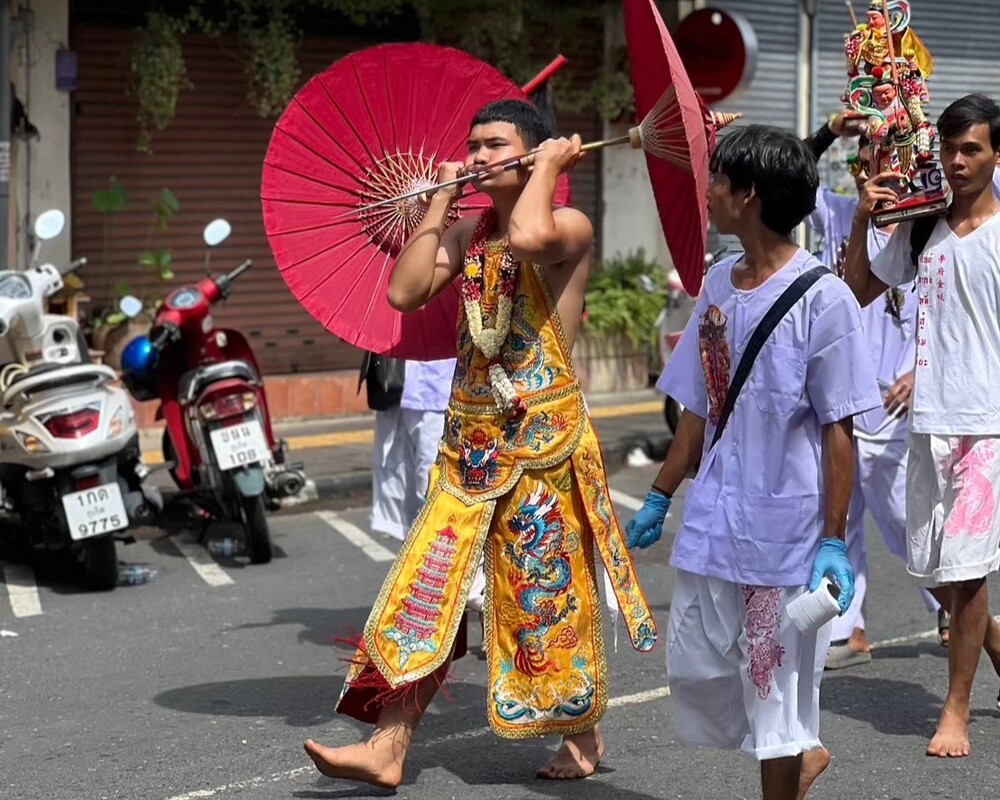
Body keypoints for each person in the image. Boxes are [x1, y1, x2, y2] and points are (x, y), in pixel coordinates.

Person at [304, 99, 655, 788]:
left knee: (539, 599)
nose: (477, 156)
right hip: (470, 450)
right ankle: (388, 745)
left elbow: (529, 239)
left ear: (532, 151)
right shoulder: (468, 233)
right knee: (425, 593)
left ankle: (579, 732)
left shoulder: (568, 225)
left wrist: (548, 170)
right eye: (472, 145)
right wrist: (434, 205)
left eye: (495, 144)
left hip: (540, 451)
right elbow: (405, 293)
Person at [626, 125, 881, 799]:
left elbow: (839, 427)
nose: (707, 192)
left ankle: (791, 756)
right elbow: (700, 405)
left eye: (718, 179)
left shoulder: (824, 298)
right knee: (701, 669)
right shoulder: (716, 284)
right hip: (715, 522)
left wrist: (832, 539)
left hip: (783, 535)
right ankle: (802, 754)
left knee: (772, 689)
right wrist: (659, 494)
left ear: (751, 195)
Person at [843, 92, 1000, 759]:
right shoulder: (922, 224)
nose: (958, 161)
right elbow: (856, 289)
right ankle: (992, 643)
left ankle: (956, 710)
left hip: (988, 428)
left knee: (964, 575)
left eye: (973, 149)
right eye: (949, 148)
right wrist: (861, 219)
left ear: (996, 155)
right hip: (926, 421)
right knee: (927, 564)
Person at [806, 128, 944, 668]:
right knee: (839, 518)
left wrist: (916, 370)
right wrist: (827, 133)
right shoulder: (841, 214)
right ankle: (849, 628)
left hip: (894, 397)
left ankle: (953, 599)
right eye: (864, 158)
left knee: (896, 517)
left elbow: (938, 307)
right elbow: (794, 173)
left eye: (881, 156)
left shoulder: (923, 223)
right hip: (842, 390)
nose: (870, 167)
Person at [369, 357, 458, 541]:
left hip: (437, 390)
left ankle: (427, 542)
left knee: (432, 479)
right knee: (397, 478)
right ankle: (413, 547)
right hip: (396, 388)